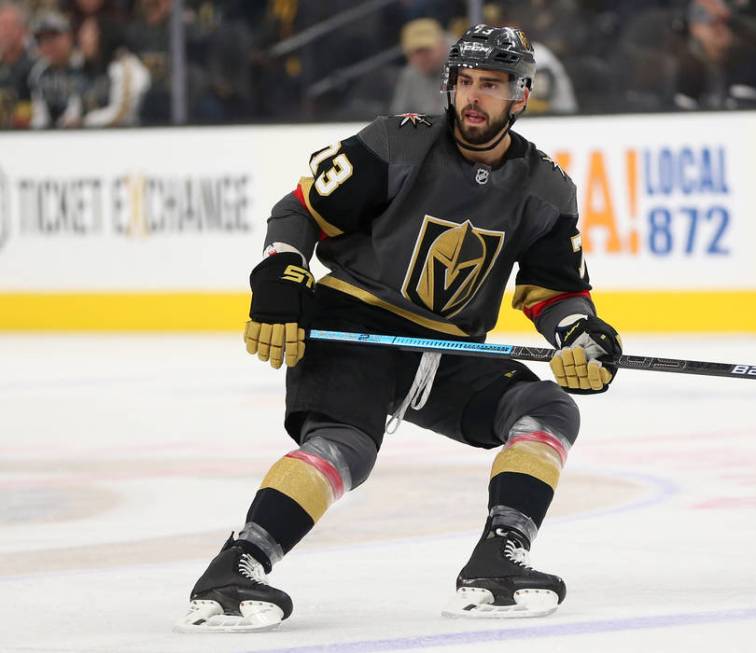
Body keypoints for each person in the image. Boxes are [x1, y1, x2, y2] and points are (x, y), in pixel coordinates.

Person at [175, 24, 622, 633]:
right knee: (345, 447)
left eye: (490, 85)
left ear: (521, 96)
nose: (472, 97)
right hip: (355, 323)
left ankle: (499, 559)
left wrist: (581, 337)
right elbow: (301, 211)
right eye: (464, 81)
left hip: (446, 348)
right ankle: (237, 567)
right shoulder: (395, 144)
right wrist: (280, 273)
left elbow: (557, 292)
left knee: (547, 409)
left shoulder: (546, 189)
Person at [77, 16, 150, 126]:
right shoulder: (85, 65)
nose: (82, 39)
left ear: (103, 34)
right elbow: (76, 105)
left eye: (88, 33)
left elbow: (122, 114)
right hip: (92, 135)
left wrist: (84, 122)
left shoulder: (126, 66)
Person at [27, 10, 85, 128]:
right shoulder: (38, 72)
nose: (48, 44)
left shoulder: (83, 65)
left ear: (69, 36)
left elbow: (76, 112)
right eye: (42, 40)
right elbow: (40, 115)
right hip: (51, 138)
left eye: (54, 36)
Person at [389, 18, 448, 115]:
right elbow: (398, 118)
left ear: (442, 46)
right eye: (417, 52)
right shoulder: (409, 75)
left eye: (427, 50)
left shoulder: (466, 71)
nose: (422, 58)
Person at [0, 0, 35, 128]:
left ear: (24, 30)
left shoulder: (35, 68)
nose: (5, 31)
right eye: (2, 25)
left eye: (10, 26)